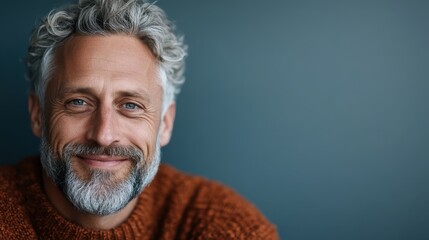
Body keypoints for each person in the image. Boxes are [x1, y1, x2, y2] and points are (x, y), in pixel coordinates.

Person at [0, 0, 279, 239]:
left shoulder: (225, 225)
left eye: (130, 105)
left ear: (166, 123)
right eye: (78, 102)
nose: (104, 134)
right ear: (37, 114)